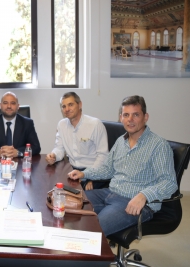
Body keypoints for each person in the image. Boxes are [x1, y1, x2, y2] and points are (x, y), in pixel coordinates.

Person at [68, 95, 177, 236]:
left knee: (92, 232)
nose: (130, 119)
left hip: (133, 203)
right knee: (68, 209)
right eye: (126, 115)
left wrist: (144, 195)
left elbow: (169, 182)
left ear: (146, 117)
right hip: (109, 193)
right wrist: (84, 173)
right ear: (121, 118)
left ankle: (91, 256)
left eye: (136, 115)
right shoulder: (121, 141)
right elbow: (108, 169)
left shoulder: (159, 145)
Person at [45, 92, 108, 190]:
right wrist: (53, 155)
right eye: (64, 106)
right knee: (52, 188)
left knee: (80, 199)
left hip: (93, 171)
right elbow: (59, 148)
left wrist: (90, 176)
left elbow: (103, 156)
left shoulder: (95, 124)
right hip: (72, 170)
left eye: (70, 105)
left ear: (80, 105)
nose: (67, 109)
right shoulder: (62, 125)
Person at [0, 91, 41, 158]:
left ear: (18, 106)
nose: (9, 106)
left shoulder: (27, 123)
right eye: (5, 103)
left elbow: (36, 147)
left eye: (13, 103)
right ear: (0, 106)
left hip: (20, 165)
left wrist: (18, 152)